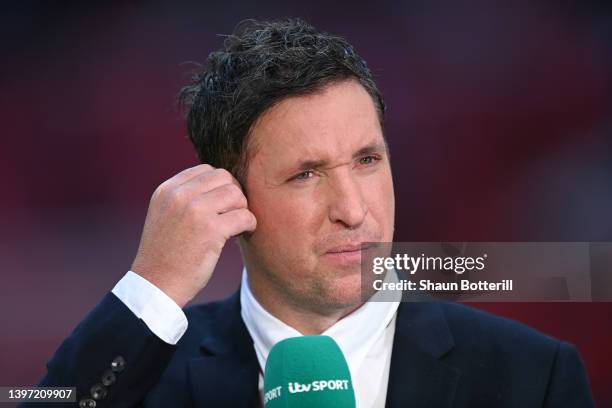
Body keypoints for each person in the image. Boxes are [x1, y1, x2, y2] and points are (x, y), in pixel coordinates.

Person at [28, 18, 593, 408]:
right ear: (230, 197)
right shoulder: (145, 372)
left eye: (368, 160)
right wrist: (152, 287)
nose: (352, 210)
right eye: (306, 174)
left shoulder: (531, 374)